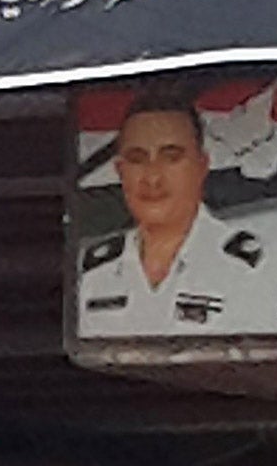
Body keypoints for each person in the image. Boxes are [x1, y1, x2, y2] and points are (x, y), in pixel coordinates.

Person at [76, 89, 255, 338]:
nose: (152, 177)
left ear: (202, 166)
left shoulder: (247, 268)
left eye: (171, 158)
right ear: (120, 171)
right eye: (137, 159)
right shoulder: (93, 271)